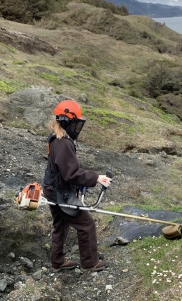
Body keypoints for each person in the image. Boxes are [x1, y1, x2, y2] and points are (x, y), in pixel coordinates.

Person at [42, 100, 111, 272]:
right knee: (86, 224)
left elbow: (62, 171)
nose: (77, 126)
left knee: (61, 224)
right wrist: (96, 178)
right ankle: (89, 263)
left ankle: (57, 261)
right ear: (67, 121)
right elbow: (71, 174)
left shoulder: (55, 139)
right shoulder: (64, 143)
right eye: (76, 122)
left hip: (52, 190)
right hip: (60, 193)